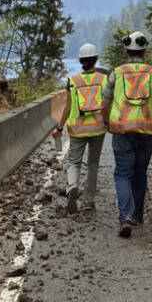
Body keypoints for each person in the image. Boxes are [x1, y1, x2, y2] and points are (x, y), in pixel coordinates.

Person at [103, 30, 152, 238]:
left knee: (123, 173)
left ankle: (125, 217)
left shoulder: (116, 73)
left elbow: (106, 100)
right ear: (145, 50)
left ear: (127, 50)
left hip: (122, 131)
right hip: (147, 132)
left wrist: (106, 120)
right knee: (140, 172)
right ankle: (136, 215)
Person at [52, 43, 108, 213]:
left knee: (74, 162)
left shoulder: (73, 81)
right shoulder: (103, 80)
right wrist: (109, 122)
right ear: (96, 59)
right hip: (98, 127)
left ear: (81, 61)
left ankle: (71, 188)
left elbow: (68, 107)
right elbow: (107, 104)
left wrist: (60, 127)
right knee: (93, 164)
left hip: (77, 129)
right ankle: (88, 201)